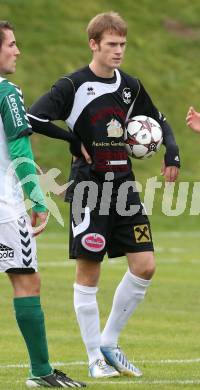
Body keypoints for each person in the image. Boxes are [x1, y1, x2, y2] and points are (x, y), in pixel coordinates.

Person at [28, 12, 180, 378]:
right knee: (89, 271)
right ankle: (94, 357)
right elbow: (34, 118)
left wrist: (172, 150)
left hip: (124, 186)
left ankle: (109, 343)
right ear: (93, 44)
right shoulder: (73, 85)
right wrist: (72, 139)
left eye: (122, 45)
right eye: (111, 45)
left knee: (145, 265)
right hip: (89, 186)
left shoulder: (130, 86)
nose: (118, 51)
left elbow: (158, 119)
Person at [0, 20, 85, 388]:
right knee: (27, 282)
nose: (18, 51)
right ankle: (41, 372)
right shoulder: (7, 93)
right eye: (11, 44)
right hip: (4, 208)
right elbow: (18, 147)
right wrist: (37, 200)